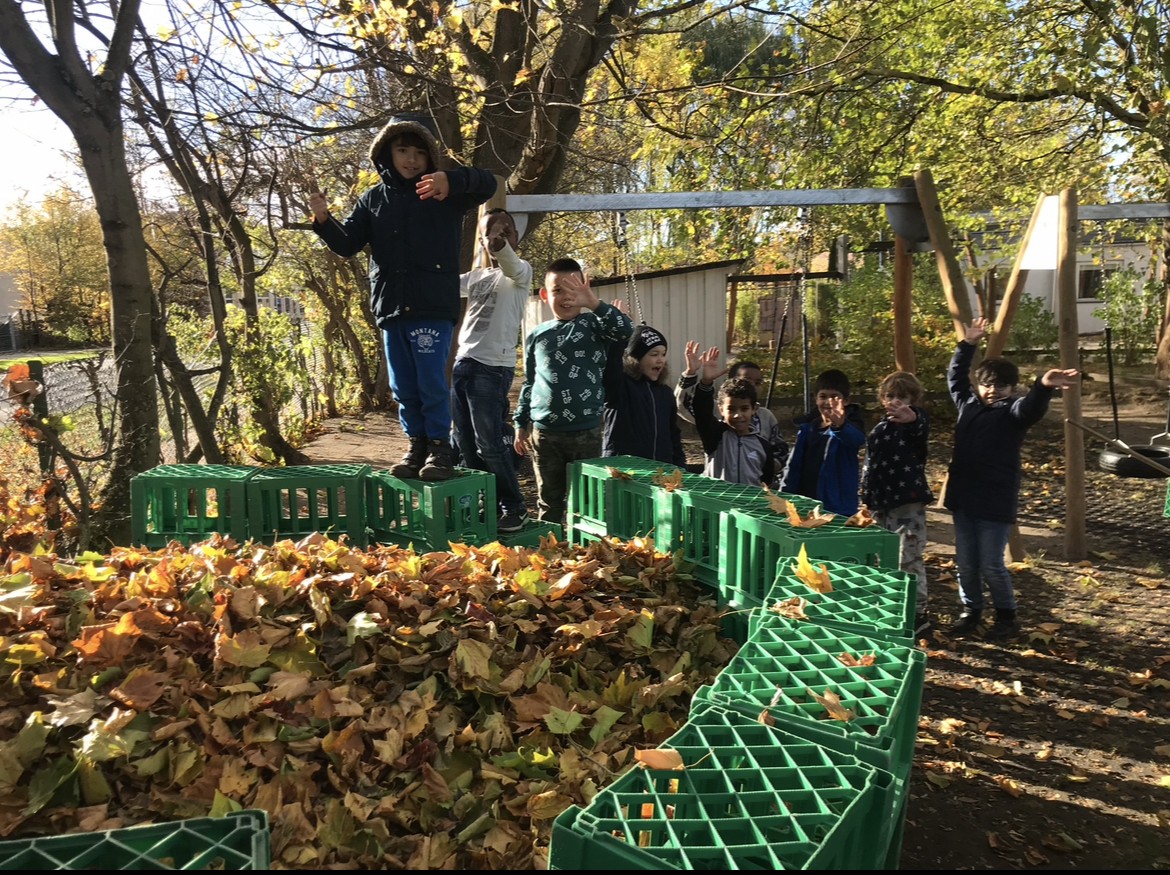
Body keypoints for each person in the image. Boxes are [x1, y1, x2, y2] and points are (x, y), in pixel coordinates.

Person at [309, 113, 496, 481]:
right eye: (403, 150)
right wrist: (323, 219)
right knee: (403, 386)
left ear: (430, 157)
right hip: (392, 308)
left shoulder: (442, 193)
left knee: (431, 382)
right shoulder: (372, 199)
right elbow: (347, 244)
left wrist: (452, 180)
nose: (411, 159)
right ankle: (416, 446)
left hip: (432, 306)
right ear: (386, 154)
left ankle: (441, 448)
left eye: (419, 153)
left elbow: (488, 184)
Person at [945, 317, 1078, 639]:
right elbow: (955, 378)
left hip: (995, 502)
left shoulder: (1013, 412)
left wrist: (1043, 386)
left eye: (1000, 386)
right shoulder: (968, 405)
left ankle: (1006, 616)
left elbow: (1031, 408)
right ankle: (971, 610)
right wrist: (968, 344)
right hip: (963, 499)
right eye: (987, 385)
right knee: (966, 563)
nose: (993, 391)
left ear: (1012, 388)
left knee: (991, 564)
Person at [513, 259, 633, 524]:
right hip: (545, 434)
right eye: (558, 290)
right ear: (545, 295)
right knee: (549, 499)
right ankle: (550, 545)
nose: (566, 297)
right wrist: (520, 422)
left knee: (588, 501)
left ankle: (585, 546)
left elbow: (626, 330)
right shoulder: (537, 335)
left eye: (573, 290)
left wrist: (594, 304)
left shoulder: (595, 325)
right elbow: (530, 382)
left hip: (586, 432)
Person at [451, 208, 532, 532]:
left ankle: (515, 507)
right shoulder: (476, 277)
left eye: (506, 230)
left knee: (489, 443)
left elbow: (509, 260)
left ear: (515, 237)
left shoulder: (520, 272)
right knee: (465, 442)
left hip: (492, 368)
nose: (499, 236)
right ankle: (485, 501)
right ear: (481, 242)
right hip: (463, 363)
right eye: (490, 233)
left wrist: (500, 244)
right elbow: (442, 285)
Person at [861, 371, 934, 635]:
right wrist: (866, 496)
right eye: (890, 396)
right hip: (881, 502)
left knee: (908, 557)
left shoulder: (914, 424)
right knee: (884, 556)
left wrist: (912, 418)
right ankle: (890, 605)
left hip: (907, 502)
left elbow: (920, 427)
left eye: (902, 397)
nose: (895, 402)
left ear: (913, 400)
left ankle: (917, 612)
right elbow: (871, 464)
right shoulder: (881, 428)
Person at [675, 351, 787, 480]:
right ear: (721, 409)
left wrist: (767, 466)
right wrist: (704, 381)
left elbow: (778, 451)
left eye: (758, 383)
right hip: (719, 491)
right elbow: (692, 406)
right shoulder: (715, 432)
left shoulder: (765, 426)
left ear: (754, 409)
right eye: (746, 380)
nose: (738, 415)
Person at [780, 368, 866, 515]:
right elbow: (793, 465)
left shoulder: (849, 426)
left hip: (837, 507)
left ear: (846, 400)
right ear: (816, 398)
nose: (828, 402)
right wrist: (785, 493)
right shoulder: (807, 428)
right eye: (823, 396)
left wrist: (840, 425)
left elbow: (857, 439)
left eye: (834, 397)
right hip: (805, 502)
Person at [601, 324, 686, 466]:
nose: (661, 360)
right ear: (635, 358)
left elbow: (673, 435)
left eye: (663, 354)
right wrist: (619, 330)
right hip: (623, 469)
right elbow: (611, 365)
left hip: (661, 470)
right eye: (654, 354)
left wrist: (680, 465)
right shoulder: (620, 386)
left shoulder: (665, 393)